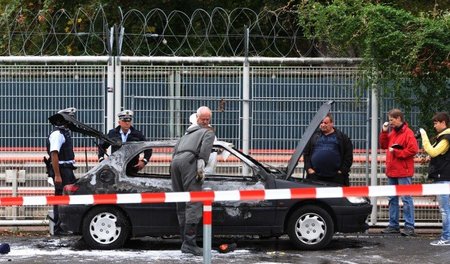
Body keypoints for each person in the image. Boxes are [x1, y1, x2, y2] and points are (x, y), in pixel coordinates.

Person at [171, 106, 215, 256]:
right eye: (203, 119)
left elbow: (175, 150)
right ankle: (189, 243)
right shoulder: (208, 131)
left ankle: (185, 241)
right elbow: (205, 149)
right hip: (189, 162)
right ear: (197, 117)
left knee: (181, 201)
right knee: (194, 202)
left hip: (175, 163)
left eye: (207, 119)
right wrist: (201, 162)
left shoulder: (186, 134)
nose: (205, 121)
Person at [379, 108, 419, 236]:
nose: (390, 123)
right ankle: (394, 225)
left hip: (403, 171)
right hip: (393, 171)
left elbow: (413, 150)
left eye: (391, 120)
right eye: (389, 120)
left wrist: (396, 152)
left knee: (406, 199)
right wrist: (384, 132)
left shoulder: (408, 133)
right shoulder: (393, 133)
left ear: (398, 119)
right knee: (392, 199)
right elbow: (384, 145)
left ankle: (409, 226)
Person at [418, 112, 450, 246]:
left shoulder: (446, 137)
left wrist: (423, 134)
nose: (434, 125)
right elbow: (440, 154)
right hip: (444, 176)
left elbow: (433, 151)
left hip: (444, 177)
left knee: (445, 210)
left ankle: (447, 237)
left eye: (436, 123)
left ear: (443, 122)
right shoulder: (444, 137)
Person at [46, 107, 78, 236]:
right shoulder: (57, 135)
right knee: (60, 199)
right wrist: (58, 175)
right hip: (62, 171)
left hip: (67, 169)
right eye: (70, 117)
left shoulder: (65, 133)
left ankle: (65, 226)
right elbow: (54, 155)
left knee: (68, 198)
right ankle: (59, 228)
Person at [303, 113, 353, 186]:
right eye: (321, 122)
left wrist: (341, 172)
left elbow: (348, 157)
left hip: (336, 178)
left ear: (332, 124)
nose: (322, 125)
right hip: (315, 177)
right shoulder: (313, 136)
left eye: (325, 123)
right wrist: (309, 169)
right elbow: (306, 154)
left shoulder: (342, 138)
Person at [98, 110, 152, 175]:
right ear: (119, 122)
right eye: (124, 121)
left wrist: (144, 161)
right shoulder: (112, 133)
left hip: (132, 167)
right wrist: (102, 159)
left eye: (129, 121)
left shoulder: (137, 134)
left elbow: (148, 148)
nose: (127, 123)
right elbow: (102, 146)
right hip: (115, 167)